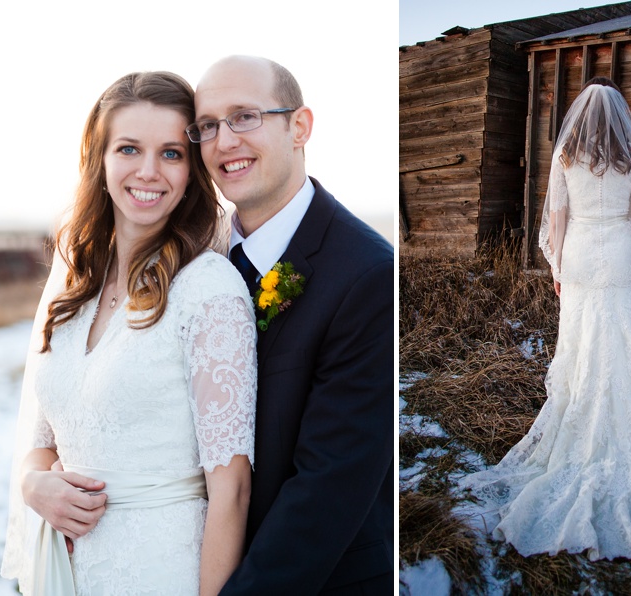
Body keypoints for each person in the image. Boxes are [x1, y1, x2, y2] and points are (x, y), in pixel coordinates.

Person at [1, 71, 258, 595]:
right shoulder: (76, 285)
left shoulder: (208, 290)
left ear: (192, 170)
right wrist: (34, 485)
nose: (149, 171)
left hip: (163, 570)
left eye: (170, 153)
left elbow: (230, 490)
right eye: (128, 149)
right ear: (99, 159)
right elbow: (42, 440)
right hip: (65, 571)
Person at [461, 78, 631, 562]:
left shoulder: (566, 152)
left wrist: (557, 267)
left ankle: (581, 403)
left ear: (581, 117)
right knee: (622, 338)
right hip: (616, 250)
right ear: (618, 116)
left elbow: (559, 215)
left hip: (582, 253)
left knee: (581, 338)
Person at [189, 55, 394, 594]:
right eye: (207, 125)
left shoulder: (367, 274)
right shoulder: (194, 266)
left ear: (299, 126)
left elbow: (328, 488)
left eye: (244, 116)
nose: (223, 140)